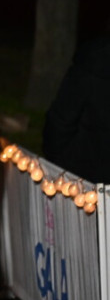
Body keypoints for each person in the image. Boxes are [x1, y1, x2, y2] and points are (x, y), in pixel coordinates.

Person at [42, 27, 110, 184]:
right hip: (81, 178)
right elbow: (60, 122)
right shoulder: (94, 62)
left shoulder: (92, 60)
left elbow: (58, 121)